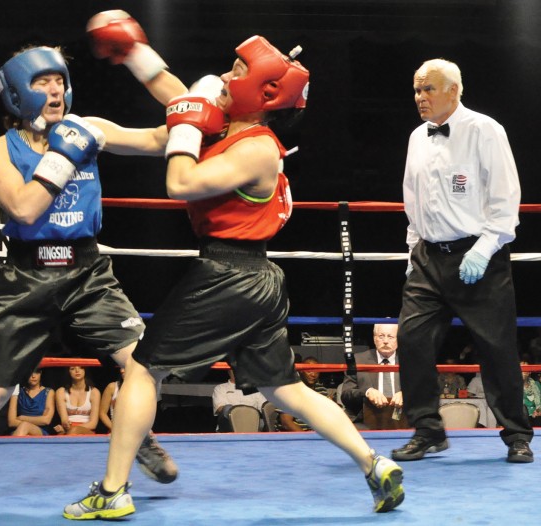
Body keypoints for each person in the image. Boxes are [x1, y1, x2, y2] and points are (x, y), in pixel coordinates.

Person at [64, 16, 404, 520]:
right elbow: (176, 98)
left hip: (227, 274)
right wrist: (133, 53)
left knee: (142, 370)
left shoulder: (256, 150)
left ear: (262, 92)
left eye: (237, 69)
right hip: (257, 280)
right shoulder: (230, 129)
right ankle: (374, 465)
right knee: (284, 389)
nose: (225, 76)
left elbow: (180, 181)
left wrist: (180, 127)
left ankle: (113, 491)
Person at [0, 34, 187, 510]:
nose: (56, 91)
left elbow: (165, 136)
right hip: (26, 278)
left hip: (87, 271)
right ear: (18, 92)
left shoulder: (89, 127)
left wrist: (149, 67)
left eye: (60, 80)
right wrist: (64, 157)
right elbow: (20, 207)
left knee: (146, 364)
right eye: (43, 82)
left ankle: (134, 433)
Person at [392, 58, 533, 463]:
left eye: (428, 89)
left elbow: (506, 199)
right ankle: (428, 430)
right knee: (411, 339)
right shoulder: (417, 136)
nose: (420, 97)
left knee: (496, 348)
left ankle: (516, 435)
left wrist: (484, 248)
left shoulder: (485, 130)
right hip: (427, 259)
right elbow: (412, 199)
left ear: (454, 90)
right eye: (417, 90)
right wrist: (411, 251)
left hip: (480, 256)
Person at [340, 324, 405, 429]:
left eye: (390, 336)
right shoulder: (358, 360)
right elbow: (346, 395)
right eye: (381, 336)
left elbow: (425, 392)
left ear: (398, 339)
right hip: (364, 420)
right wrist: (367, 392)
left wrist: (407, 394)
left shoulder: (410, 360)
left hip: (403, 419)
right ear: (374, 339)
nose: (385, 341)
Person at [277, 356, 334, 431]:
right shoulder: (289, 391)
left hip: (315, 433)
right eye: (309, 370)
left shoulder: (322, 390)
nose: (313, 374)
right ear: (301, 371)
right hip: (294, 436)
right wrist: (307, 438)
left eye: (316, 371)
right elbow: (286, 423)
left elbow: (330, 415)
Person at [8, 366, 55, 436]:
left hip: (40, 431)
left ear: (40, 373)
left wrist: (22, 418)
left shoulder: (48, 392)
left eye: (36, 372)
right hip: (20, 431)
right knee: (25, 430)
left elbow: (46, 420)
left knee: (25, 426)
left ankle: (11, 446)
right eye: (30, 373)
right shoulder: (17, 392)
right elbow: (11, 422)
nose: (33, 376)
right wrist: (38, 420)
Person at [54, 366, 101, 435]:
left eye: (81, 367)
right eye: (72, 368)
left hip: (87, 430)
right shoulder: (61, 392)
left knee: (73, 431)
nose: (77, 370)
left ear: (85, 370)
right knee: (62, 433)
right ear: (68, 372)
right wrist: (66, 425)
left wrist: (73, 428)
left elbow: (93, 424)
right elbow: (64, 420)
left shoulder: (94, 392)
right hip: (68, 429)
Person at [99, 369, 124, 433]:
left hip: (136, 430)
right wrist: (114, 429)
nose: (122, 370)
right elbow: (102, 413)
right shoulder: (112, 387)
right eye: (121, 368)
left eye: (125, 368)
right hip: (116, 429)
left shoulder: (141, 387)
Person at [521, 359, 541, 426]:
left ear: (529, 372)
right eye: (521, 369)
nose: (522, 372)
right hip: (522, 418)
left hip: (537, 418)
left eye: (525, 369)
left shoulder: (537, 384)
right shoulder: (515, 387)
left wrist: (538, 411)